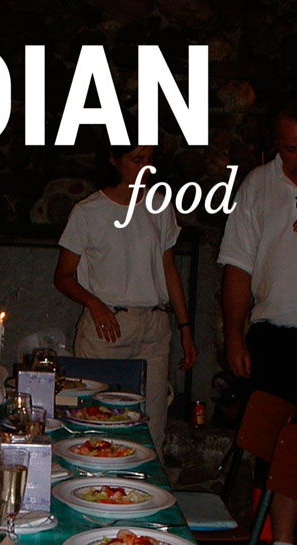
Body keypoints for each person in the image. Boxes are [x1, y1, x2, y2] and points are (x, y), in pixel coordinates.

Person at [53, 138, 197, 454]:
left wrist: (186, 328)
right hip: (107, 325)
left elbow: (169, 268)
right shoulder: (88, 211)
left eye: (150, 159)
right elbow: (62, 276)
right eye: (136, 159)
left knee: (152, 424)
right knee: (92, 420)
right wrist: (93, 303)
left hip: (154, 327)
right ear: (114, 160)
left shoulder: (159, 205)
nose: (145, 167)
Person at [218, 94, 297, 545]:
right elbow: (237, 267)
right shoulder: (257, 186)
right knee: (281, 453)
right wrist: (234, 334)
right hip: (275, 335)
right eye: (289, 149)